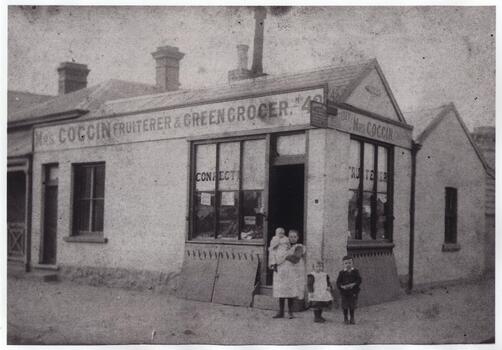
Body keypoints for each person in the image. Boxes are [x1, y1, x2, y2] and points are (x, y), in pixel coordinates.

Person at [272, 229, 306, 319]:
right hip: (282, 272)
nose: (293, 238)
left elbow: (295, 258)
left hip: (292, 273)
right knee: (281, 291)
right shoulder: (284, 246)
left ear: (298, 237)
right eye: (291, 236)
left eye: (295, 237)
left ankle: (290, 312)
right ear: (288, 237)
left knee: (290, 293)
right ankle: (281, 311)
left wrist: (284, 256)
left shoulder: (299, 247)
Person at [336, 255, 362, 325]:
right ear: (343, 264)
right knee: (345, 305)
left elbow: (359, 280)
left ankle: (352, 318)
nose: (348, 265)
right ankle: (345, 318)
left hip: (353, 292)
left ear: (352, 263)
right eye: (346, 263)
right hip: (344, 292)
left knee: (352, 305)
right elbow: (338, 282)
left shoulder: (355, 271)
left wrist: (353, 284)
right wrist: (342, 286)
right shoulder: (341, 273)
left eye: (349, 263)